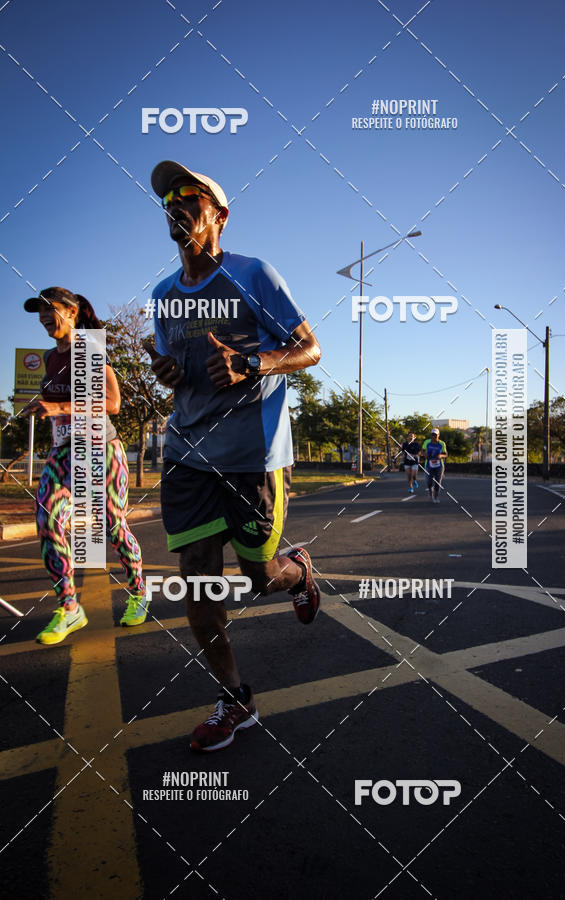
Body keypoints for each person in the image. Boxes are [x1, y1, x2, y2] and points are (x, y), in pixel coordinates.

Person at [147, 160, 322, 752]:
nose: (177, 205)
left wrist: (253, 363)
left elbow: (309, 349)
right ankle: (234, 698)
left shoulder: (253, 274)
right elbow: (176, 368)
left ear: (218, 215)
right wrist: (167, 371)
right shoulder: (163, 295)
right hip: (187, 454)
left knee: (259, 578)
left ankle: (296, 571)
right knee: (198, 584)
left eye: (189, 196)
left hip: (252, 457)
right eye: (169, 200)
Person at [23, 287, 147, 644]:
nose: (44, 317)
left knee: (112, 525)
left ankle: (139, 593)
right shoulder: (50, 357)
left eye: (49, 309)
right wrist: (43, 406)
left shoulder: (89, 349)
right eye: (39, 312)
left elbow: (112, 402)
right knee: (47, 520)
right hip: (63, 452)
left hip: (100, 450)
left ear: (71, 312)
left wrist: (60, 407)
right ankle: (69, 607)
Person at [422, 427, 448, 504]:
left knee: (437, 482)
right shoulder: (427, 442)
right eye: (433, 435)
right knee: (428, 481)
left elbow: (445, 454)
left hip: (439, 465)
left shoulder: (442, 443)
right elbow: (422, 451)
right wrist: (425, 455)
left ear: (438, 435)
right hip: (428, 464)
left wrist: (441, 456)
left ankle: (436, 496)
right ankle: (430, 491)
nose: (434, 436)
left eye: (435, 435)